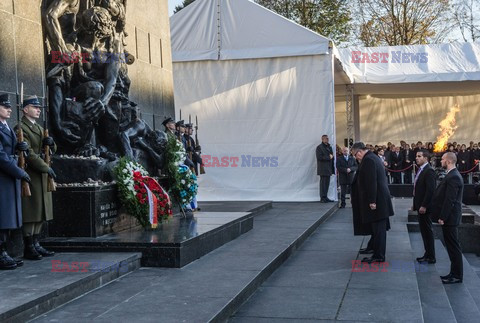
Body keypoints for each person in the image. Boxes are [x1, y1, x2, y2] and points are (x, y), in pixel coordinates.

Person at [18, 96, 57, 260]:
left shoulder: (40, 128)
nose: (38, 110)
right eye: (35, 107)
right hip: (32, 174)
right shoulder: (21, 128)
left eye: (39, 108)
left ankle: (36, 243)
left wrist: (51, 142)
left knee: (41, 211)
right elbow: (30, 155)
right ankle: (29, 245)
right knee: (31, 211)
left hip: (42, 175)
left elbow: (50, 149)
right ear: (25, 109)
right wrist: (46, 168)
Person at [0, 93, 31, 270]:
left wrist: (22, 149)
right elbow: (1, 157)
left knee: (8, 216)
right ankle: (1, 252)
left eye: (10, 106)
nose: (10, 109)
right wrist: (19, 172)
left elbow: (11, 151)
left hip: (9, 176)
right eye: (5, 106)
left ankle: (4, 251)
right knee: (3, 217)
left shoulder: (6, 127)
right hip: (4, 177)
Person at [351, 142, 394, 263]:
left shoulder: (369, 160)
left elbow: (371, 181)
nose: (356, 157)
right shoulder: (372, 157)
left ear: (359, 152)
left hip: (377, 201)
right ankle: (374, 248)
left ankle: (379, 255)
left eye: (355, 155)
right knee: (376, 228)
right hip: (379, 199)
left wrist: (372, 201)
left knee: (379, 229)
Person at [431, 152, 464, 284]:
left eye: (443, 159)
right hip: (449, 218)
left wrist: (443, 217)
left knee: (453, 246)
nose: (441, 161)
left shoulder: (454, 177)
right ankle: (453, 273)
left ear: (449, 161)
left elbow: (450, 200)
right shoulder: (451, 175)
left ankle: (456, 275)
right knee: (451, 246)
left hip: (450, 218)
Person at [413, 149, 436, 264]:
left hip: (425, 208)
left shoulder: (429, 171)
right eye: (416, 156)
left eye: (419, 156)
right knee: (424, 231)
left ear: (425, 158)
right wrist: (414, 205)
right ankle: (427, 254)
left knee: (427, 231)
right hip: (420, 206)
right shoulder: (421, 170)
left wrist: (424, 205)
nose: (417, 158)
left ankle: (431, 256)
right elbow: (417, 189)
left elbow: (430, 191)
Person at [316, 134, 334, 203]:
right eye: (326, 138)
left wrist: (331, 157)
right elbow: (319, 157)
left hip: (329, 168)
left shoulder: (329, 147)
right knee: (323, 184)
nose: (327, 139)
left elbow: (331, 156)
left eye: (328, 138)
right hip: (323, 169)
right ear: (322, 139)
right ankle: (322, 198)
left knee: (327, 184)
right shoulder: (319, 147)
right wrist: (328, 157)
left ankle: (325, 197)